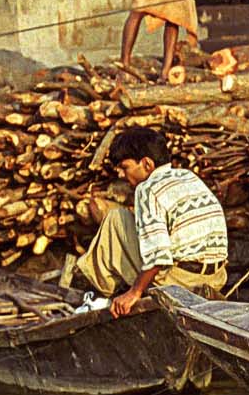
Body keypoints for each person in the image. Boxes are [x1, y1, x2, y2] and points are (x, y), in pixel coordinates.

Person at [76, 128, 228, 317]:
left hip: (182, 281)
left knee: (116, 219)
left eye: (125, 167)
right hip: (216, 277)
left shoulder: (148, 189)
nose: (122, 175)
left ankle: (100, 297)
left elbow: (158, 256)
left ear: (147, 164)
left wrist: (134, 293)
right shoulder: (188, 177)